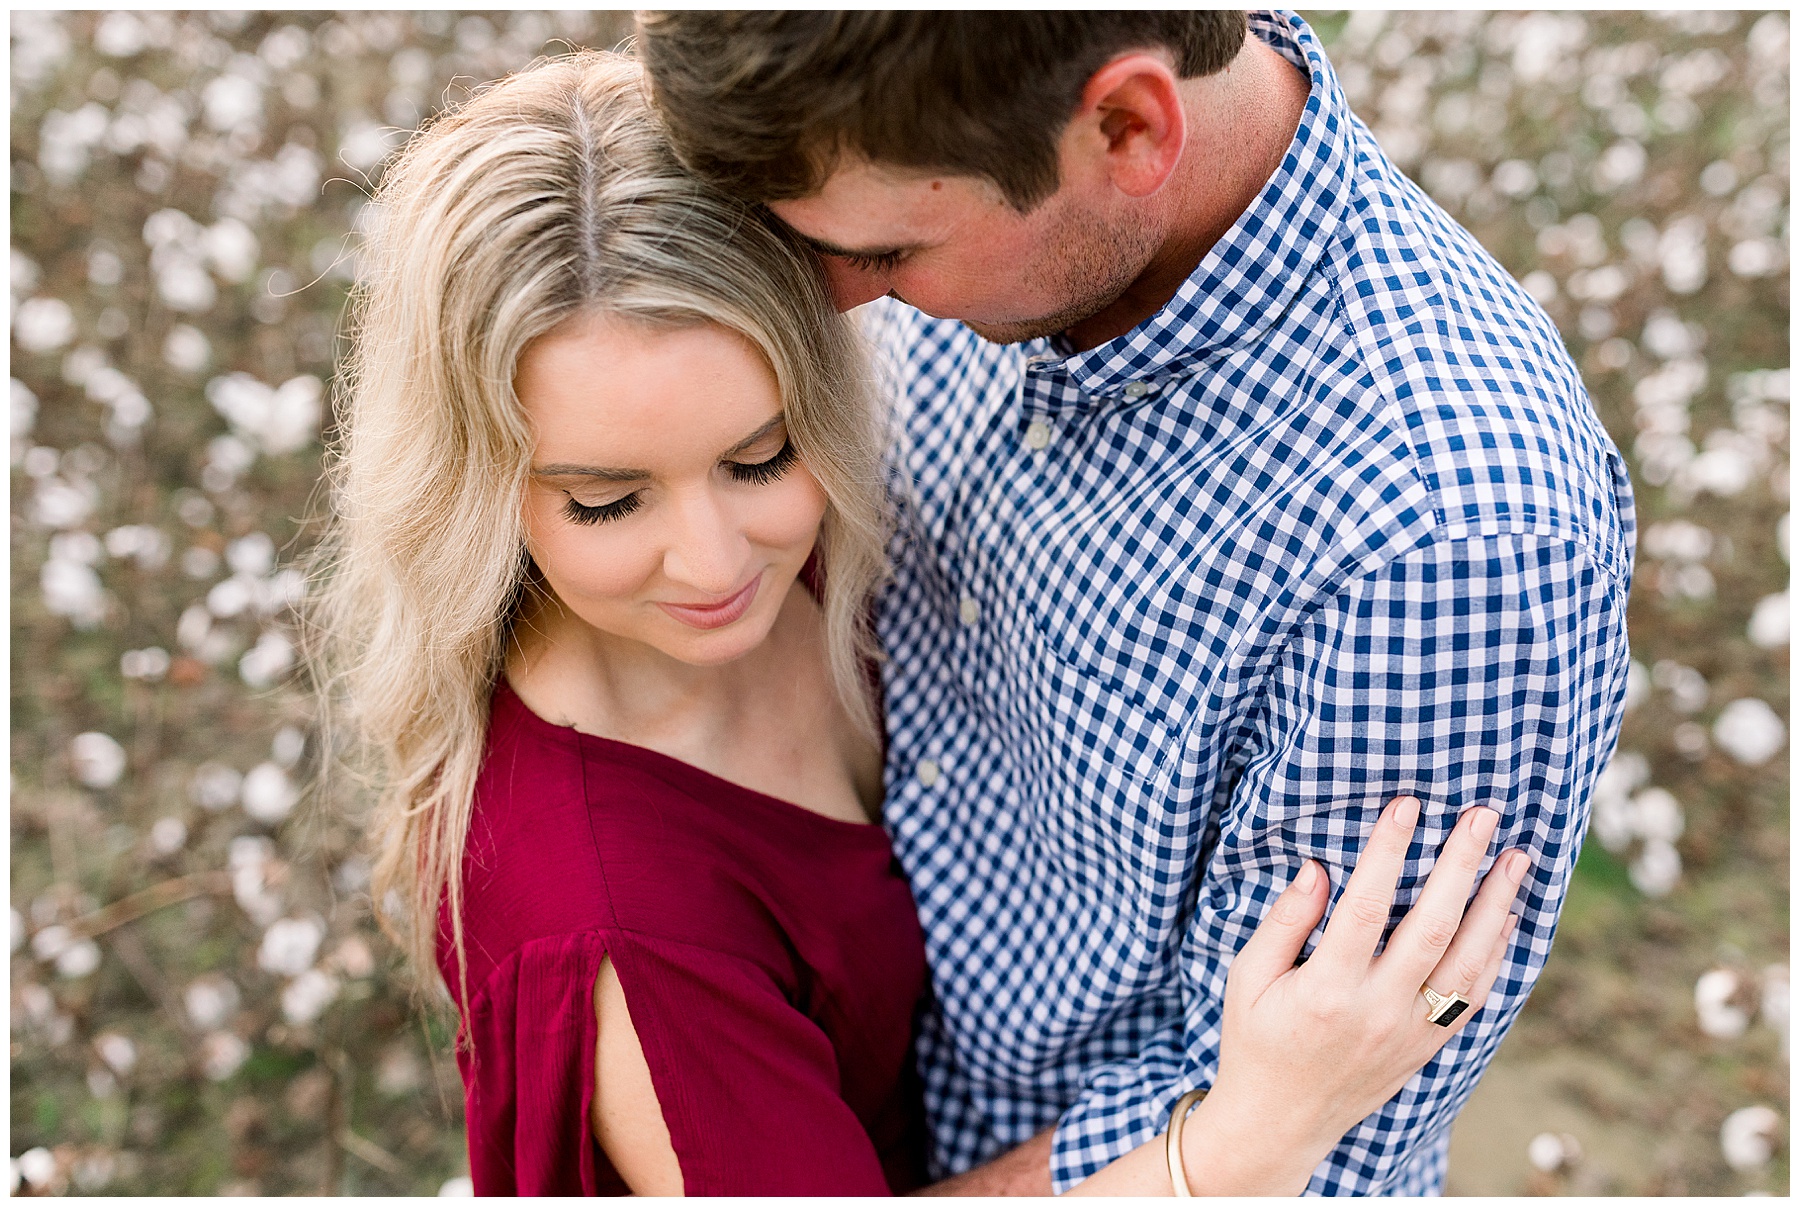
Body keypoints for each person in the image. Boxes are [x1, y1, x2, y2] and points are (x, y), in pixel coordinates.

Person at [306, 50, 1542, 1196]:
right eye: (607, 499)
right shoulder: (625, 929)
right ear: (475, 487)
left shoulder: (803, 555)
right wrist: (1245, 1138)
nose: (716, 557)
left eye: (758, 454)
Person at [638, 9, 1636, 1196]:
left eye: (892, 255)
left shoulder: (1438, 544)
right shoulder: (973, 195)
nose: (839, 303)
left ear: (1128, 127)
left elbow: (1290, 1151)